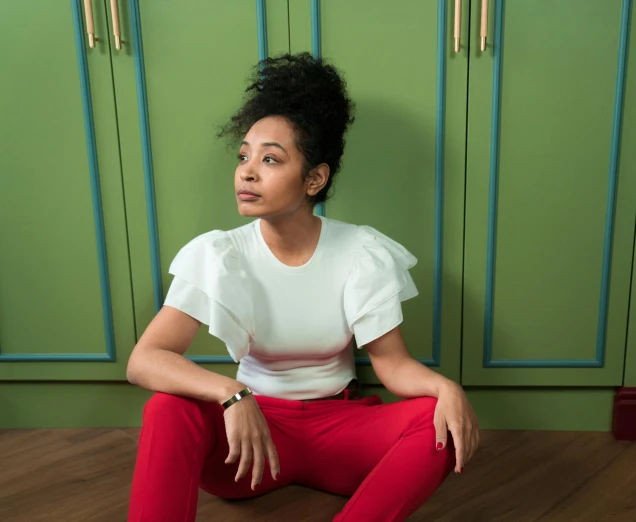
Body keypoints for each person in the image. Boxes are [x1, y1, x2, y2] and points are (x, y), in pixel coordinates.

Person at [126, 53, 480, 522]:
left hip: (342, 434)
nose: (247, 171)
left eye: (270, 159)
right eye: (244, 156)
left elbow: (393, 365)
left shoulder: (360, 252)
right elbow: (144, 360)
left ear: (315, 178)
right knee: (166, 409)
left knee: (439, 423)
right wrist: (233, 396)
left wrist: (446, 388)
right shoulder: (220, 254)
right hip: (249, 444)